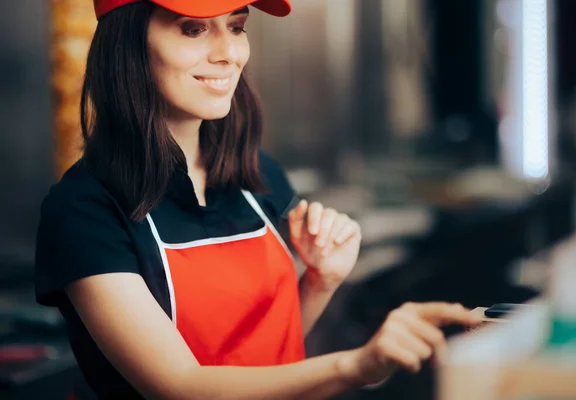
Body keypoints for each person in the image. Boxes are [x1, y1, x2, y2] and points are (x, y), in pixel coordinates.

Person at [35, 0, 481, 398]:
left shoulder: (258, 175)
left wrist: (318, 283)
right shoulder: (85, 209)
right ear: (127, 45)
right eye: (194, 29)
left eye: (236, 26)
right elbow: (181, 385)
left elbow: (260, 357)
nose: (228, 53)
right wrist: (356, 365)